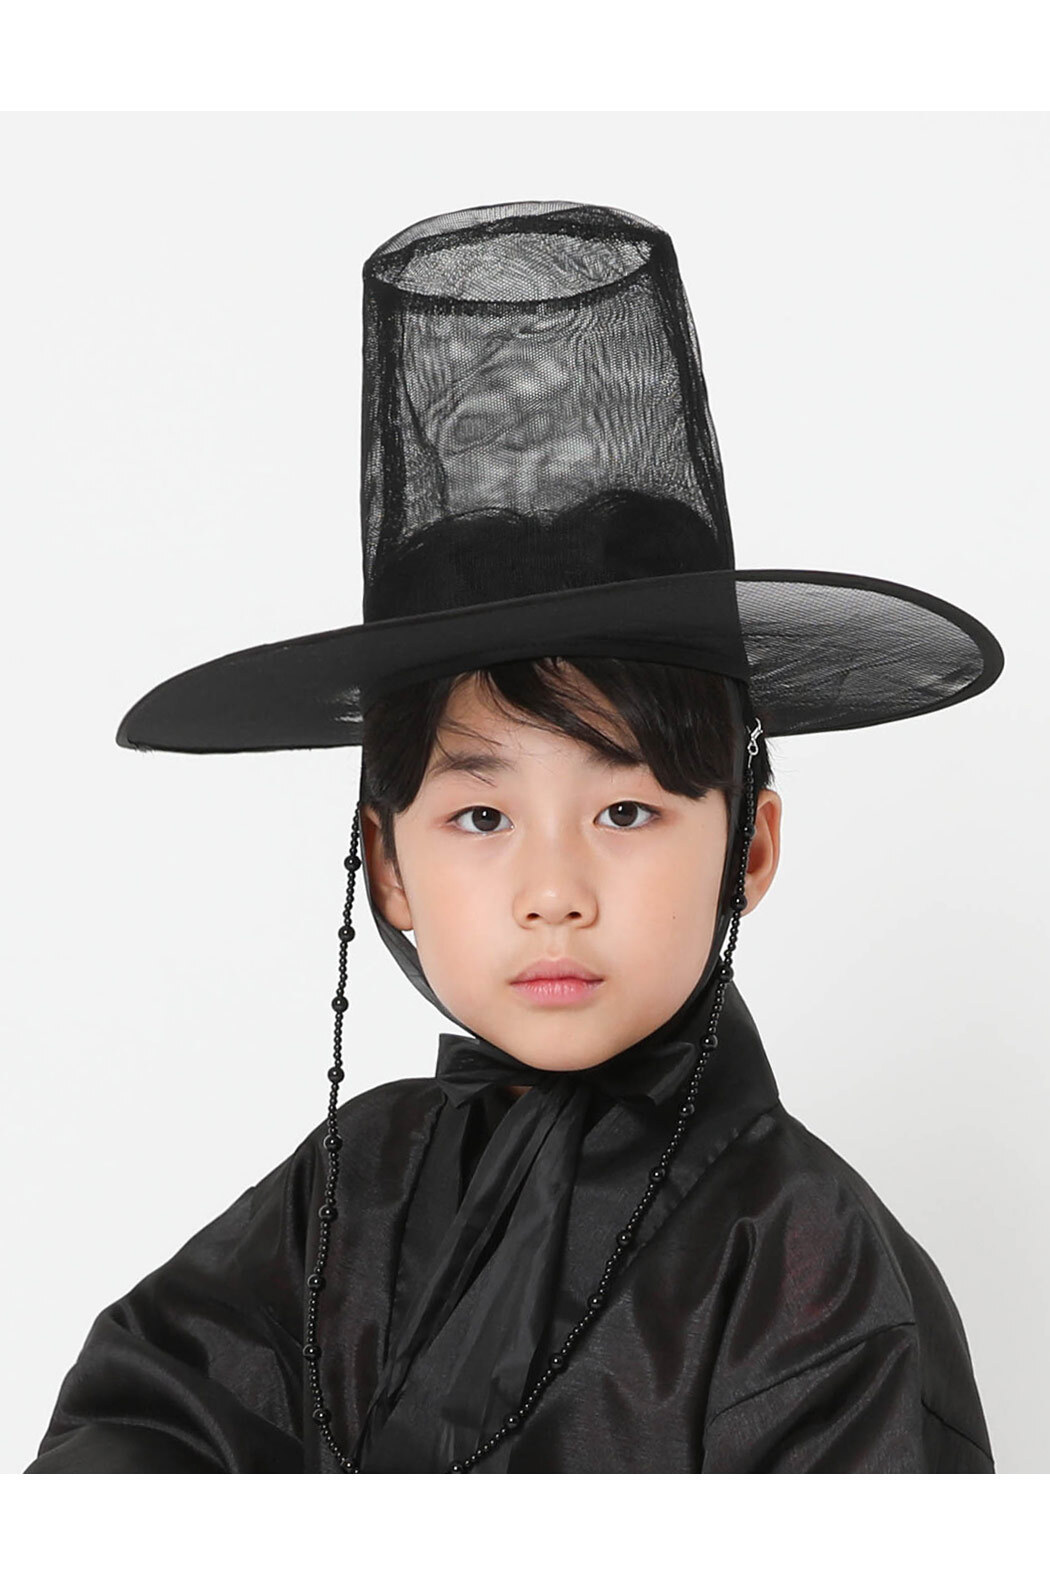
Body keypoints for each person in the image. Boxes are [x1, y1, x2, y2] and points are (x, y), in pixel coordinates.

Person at [26, 199, 1002, 1473]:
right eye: (481, 816)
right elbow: (134, 1441)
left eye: (627, 810)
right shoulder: (353, 1188)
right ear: (390, 866)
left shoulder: (807, 1263)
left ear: (748, 850)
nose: (553, 890)